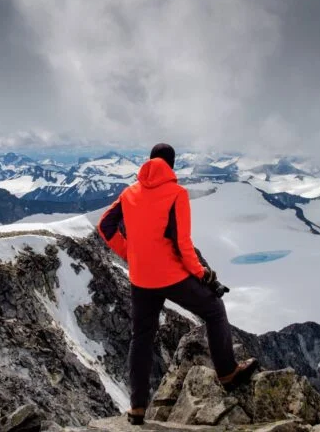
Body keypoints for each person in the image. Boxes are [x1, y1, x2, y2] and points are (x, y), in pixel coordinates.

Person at [97, 143, 257, 425]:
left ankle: (136, 408)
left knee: (142, 337)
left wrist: (130, 254)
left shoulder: (129, 193)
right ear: (171, 165)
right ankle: (227, 372)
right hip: (171, 276)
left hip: (140, 278)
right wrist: (202, 274)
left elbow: (105, 226)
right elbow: (183, 244)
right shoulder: (176, 194)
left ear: (149, 162)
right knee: (214, 310)